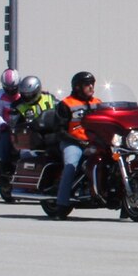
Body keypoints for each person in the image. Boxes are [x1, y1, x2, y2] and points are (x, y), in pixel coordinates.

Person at [53, 71, 99, 212]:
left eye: (92, 84)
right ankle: (61, 204)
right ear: (78, 87)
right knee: (71, 165)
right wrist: (78, 141)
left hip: (96, 142)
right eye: (87, 84)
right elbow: (59, 131)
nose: (91, 87)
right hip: (73, 143)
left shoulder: (98, 103)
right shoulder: (66, 104)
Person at [0, 69, 21, 174]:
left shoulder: (23, 94)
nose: (10, 91)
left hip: (22, 126)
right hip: (6, 127)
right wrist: (2, 124)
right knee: (6, 138)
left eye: (13, 88)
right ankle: (4, 166)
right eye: (7, 88)